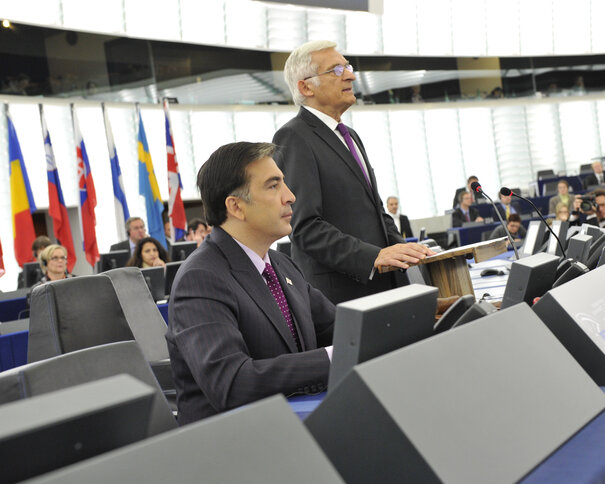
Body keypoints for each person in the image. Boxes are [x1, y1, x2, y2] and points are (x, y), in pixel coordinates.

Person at [166, 142, 334, 424]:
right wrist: (334, 356)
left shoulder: (280, 264)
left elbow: (340, 327)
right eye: (273, 186)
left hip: (289, 424)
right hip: (232, 445)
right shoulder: (200, 279)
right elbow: (232, 381)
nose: (290, 196)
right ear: (236, 207)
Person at [272, 40, 432, 303]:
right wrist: (372, 257)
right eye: (336, 70)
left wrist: (409, 251)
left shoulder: (349, 136)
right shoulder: (293, 137)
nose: (350, 75)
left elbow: (376, 212)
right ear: (305, 86)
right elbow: (304, 227)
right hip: (344, 296)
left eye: (347, 66)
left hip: (387, 285)